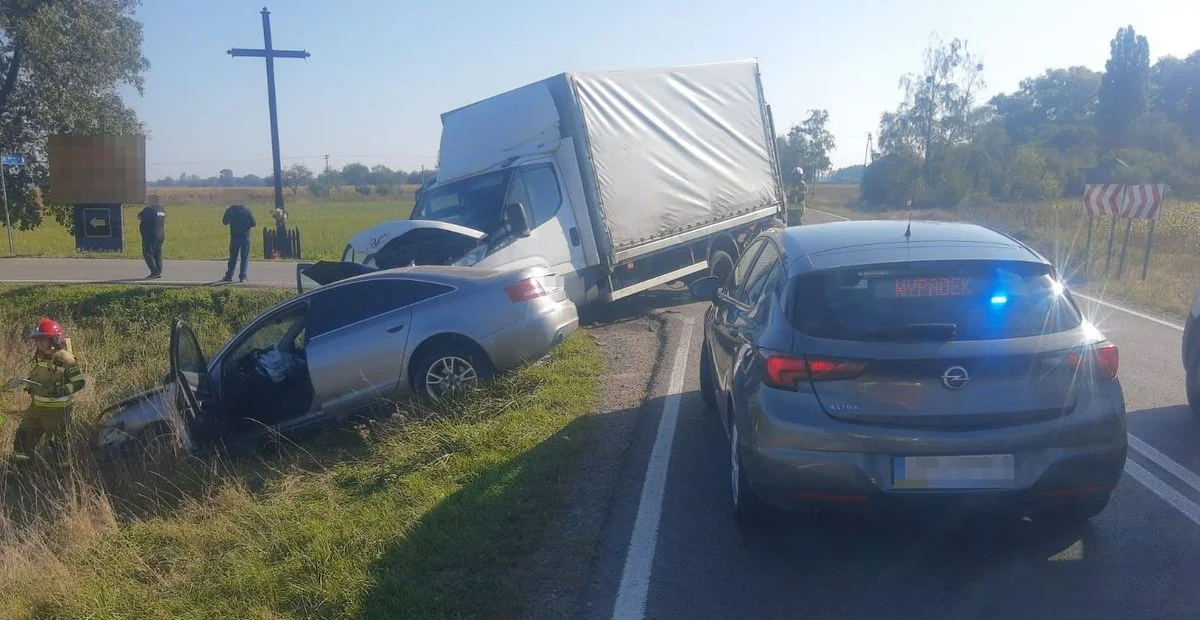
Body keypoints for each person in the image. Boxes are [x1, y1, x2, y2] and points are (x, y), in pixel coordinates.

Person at [6, 318, 86, 458]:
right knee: (22, 440)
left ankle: (62, 476)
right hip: (35, 409)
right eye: (37, 339)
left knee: (58, 449)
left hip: (57, 412)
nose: (39, 343)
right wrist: (29, 384)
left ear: (54, 339)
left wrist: (58, 390)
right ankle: (21, 473)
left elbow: (79, 382)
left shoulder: (66, 359)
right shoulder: (40, 357)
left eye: (43, 339)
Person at [221, 202, 257, 283]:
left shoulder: (230, 210)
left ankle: (229, 275)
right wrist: (246, 227)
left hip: (234, 236)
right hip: (245, 236)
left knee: (233, 257)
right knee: (244, 257)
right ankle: (243, 276)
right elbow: (254, 223)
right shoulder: (247, 210)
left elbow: (224, 222)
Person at [137, 196, 166, 279]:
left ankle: (154, 271)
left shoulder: (148, 210)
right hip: (161, 234)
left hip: (150, 235)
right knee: (158, 253)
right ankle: (158, 270)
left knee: (147, 252)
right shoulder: (162, 210)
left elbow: (139, 216)